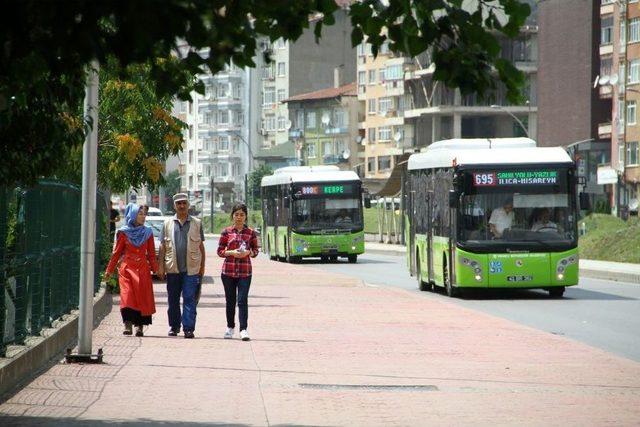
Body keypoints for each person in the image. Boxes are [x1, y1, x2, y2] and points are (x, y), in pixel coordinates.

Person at [157, 193, 205, 339]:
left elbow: (201, 247)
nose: (182, 206)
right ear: (174, 206)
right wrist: (160, 266)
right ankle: (174, 326)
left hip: (191, 269)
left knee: (190, 298)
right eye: (179, 204)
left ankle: (188, 328)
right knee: (173, 299)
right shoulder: (167, 224)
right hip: (173, 269)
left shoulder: (197, 223)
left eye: (184, 203)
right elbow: (162, 247)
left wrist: (202, 267)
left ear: (188, 205)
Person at [104, 203, 157, 337]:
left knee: (142, 297)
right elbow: (116, 253)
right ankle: (127, 324)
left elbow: (151, 254)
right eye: (140, 214)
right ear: (133, 215)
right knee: (127, 297)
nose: (143, 216)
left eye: (144, 214)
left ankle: (140, 326)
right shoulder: (123, 232)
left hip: (143, 270)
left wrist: (156, 269)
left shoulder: (148, 232)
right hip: (127, 269)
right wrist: (109, 271)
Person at [217, 203, 259, 341]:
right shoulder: (226, 232)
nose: (239, 217)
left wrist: (249, 252)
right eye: (236, 214)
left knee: (242, 301)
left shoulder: (250, 233)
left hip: (245, 272)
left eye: (242, 214)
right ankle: (230, 327)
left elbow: (255, 251)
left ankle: (243, 329)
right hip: (228, 271)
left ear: (246, 216)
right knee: (230, 301)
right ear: (232, 216)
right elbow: (220, 251)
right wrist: (232, 253)